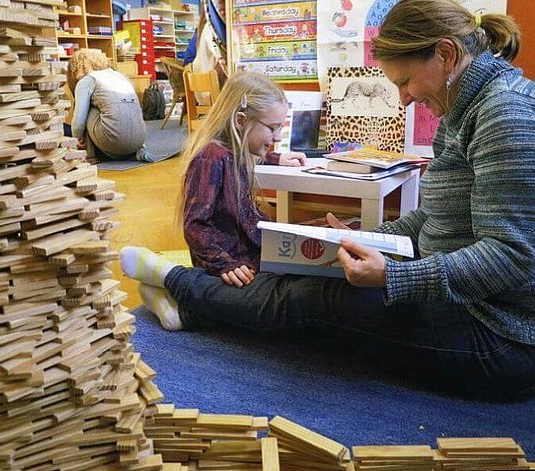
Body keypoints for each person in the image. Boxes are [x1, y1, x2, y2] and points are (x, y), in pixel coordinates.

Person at [120, 0, 535, 397]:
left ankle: (177, 285)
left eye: (405, 81)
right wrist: (365, 237)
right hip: (460, 298)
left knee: (313, 301)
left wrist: (393, 276)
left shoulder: (505, 115)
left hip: (499, 335)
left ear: (446, 55)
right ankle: (187, 298)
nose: (404, 98)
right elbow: (433, 217)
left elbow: (512, 257)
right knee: (312, 276)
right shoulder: (462, 107)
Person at [121, 72, 306, 322]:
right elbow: (195, 224)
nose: (277, 137)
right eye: (272, 128)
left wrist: (276, 157)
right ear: (241, 120)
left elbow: (251, 152)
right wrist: (224, 264)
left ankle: (179, 301)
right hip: (226, 262)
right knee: (261, 303)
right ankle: (175, 296)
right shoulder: (210, 157)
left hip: (245, 254)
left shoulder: (236, 148)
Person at [67, 49, 150, 161]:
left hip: (112, 140)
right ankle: (129, 151)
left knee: (88, 108)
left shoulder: (87, 80)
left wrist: (77, 139)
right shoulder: (121, 76)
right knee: (118, 106)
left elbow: (79, 120)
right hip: (139, 140)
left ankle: (90, 155)